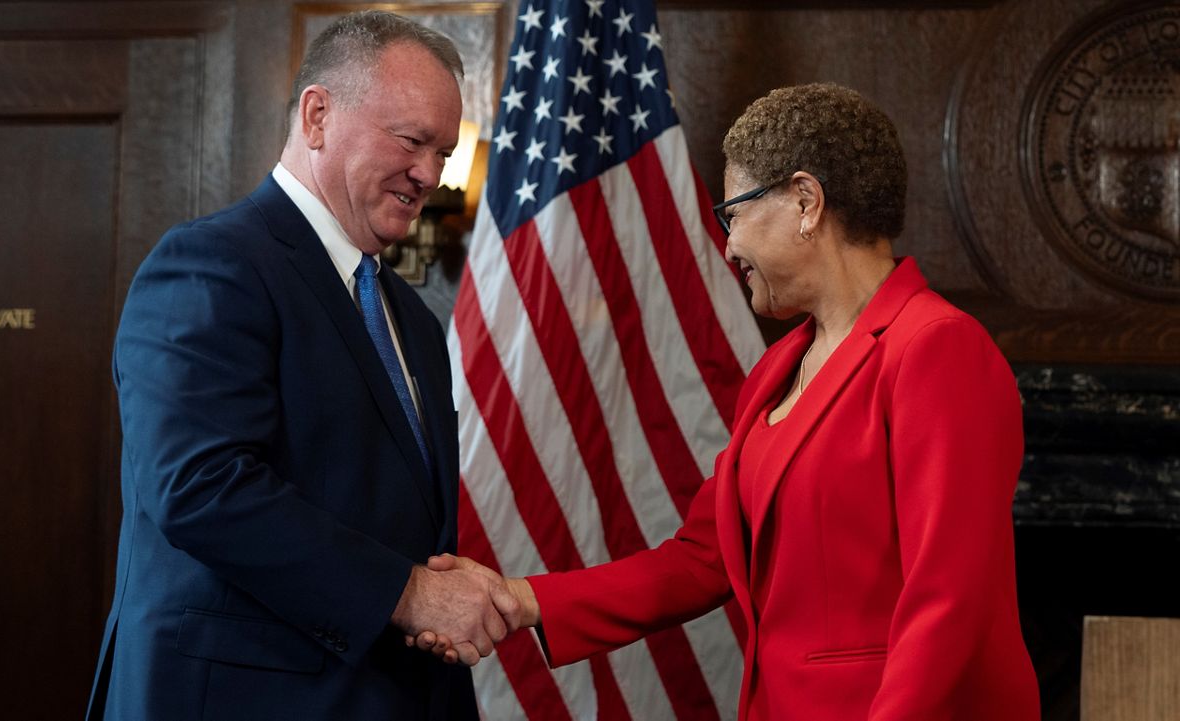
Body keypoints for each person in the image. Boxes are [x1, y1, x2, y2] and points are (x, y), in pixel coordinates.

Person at [415, 83, 1042, 720]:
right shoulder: (778, 367)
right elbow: (701, 559)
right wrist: (522, 600)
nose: (728, 242)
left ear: (805, 202)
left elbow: (949, 601)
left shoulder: (936, 349)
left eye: (734, 213)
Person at [85, 11, 517, 720]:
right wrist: (407, 594)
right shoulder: (212, 264)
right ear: (317, 115)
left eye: (443, 152)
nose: (431, 175)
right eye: (413, 142)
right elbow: (199, 486)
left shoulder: (410, 315)